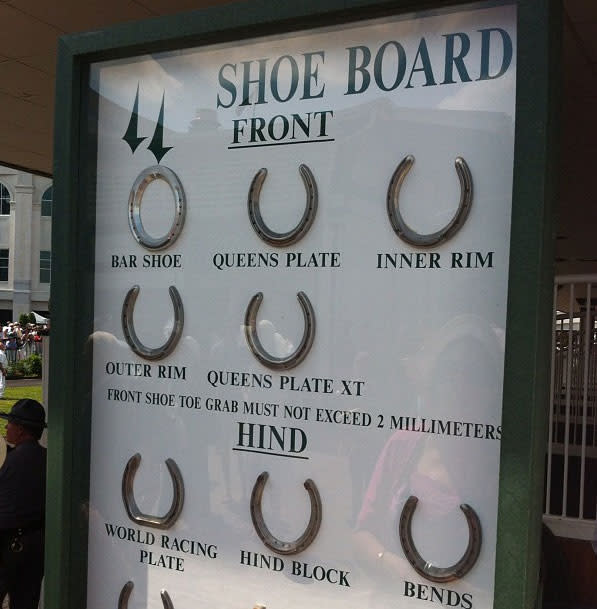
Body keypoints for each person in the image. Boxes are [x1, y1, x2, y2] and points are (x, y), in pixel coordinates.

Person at [0, 399, 46, 609]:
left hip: (5, 543)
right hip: (35, 545)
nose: (6, 427)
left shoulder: (9, 462)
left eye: (9, 422)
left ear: (20, 430)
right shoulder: (47, 459)